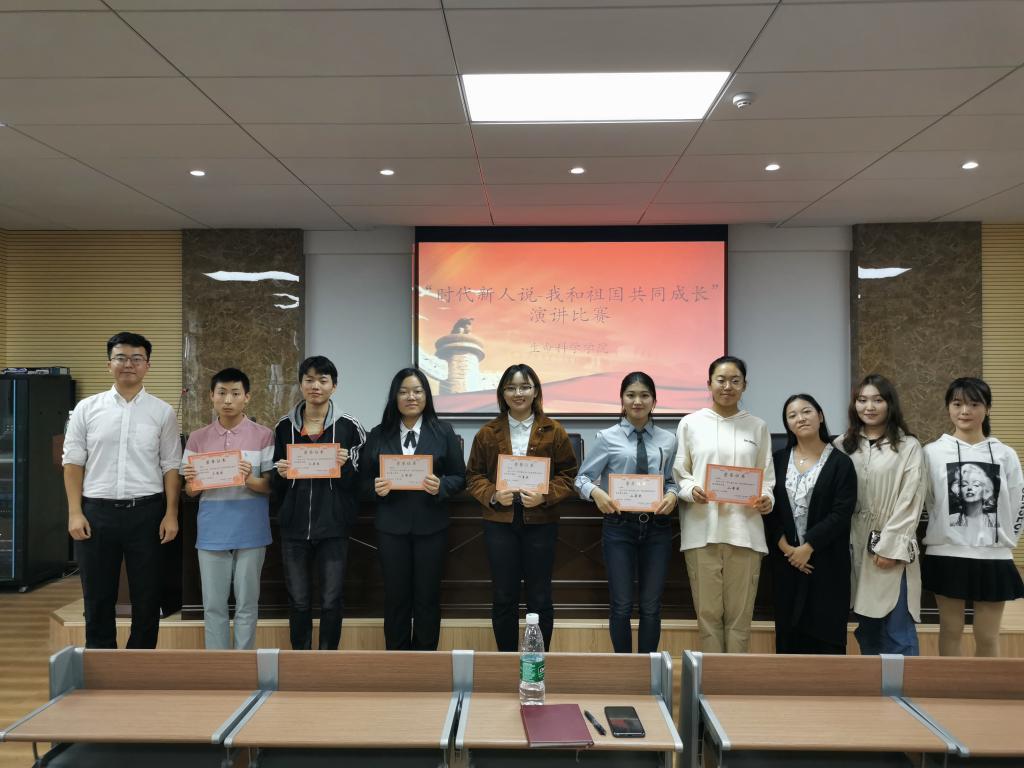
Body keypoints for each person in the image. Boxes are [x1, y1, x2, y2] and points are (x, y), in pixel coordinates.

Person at [62, 331, 182, 649]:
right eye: (121, 358)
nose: (128, 364)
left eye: (136, 358)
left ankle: (139, 663)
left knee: (148, 595)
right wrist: (74, 512)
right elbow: (72, 462)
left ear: (147, 365)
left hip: (147, 513)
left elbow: (171, 465)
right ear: (109, 364)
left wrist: (171, 513)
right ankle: (102, 663)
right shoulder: (87, 408)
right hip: (96, 513)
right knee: (97, 595)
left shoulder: (162, 412)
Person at [466, 363, 578, 651]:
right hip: (499, 522)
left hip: (541, 522)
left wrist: (545, 496)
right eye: (511, 388)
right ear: (502, 393)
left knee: (540, 596)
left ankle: (537, 662)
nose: (518, 393)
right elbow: (473, 476)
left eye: (525, 387)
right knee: (504, 595)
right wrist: (493, 494)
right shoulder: (487, 432)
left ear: (535, 391)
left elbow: (569, 475)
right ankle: (506, 660)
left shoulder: (554, 430)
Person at [673, 355, 775, 654]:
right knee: (707, 616)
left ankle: (735, 677)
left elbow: (766, 476)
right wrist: (691, 490)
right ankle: (711, 677)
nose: (727, 386)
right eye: (721, 380)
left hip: (745, 532)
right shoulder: (690, 423)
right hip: (701, 531)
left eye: (735, 381)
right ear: (709, 384)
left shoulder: (757, 426)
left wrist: (766, 498)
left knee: (740, 618)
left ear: (744, 385)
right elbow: (680, 472)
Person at [362, 367, 466, 650]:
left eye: (418, 391)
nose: (411, 397)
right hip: (391, 528)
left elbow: (460, 477)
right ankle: (397, 663)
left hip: (431, 527)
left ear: (426, 396)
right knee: (395, 597)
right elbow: (361, 482)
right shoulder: (378, 434)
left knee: (427, 597)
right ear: (394, 397)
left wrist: (441, 485)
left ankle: (426, 662)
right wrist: (375, 488)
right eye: (404, 392)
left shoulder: (443, 432)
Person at [575, 372, 679, 653]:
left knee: (651, 606)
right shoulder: (606, 437)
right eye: (631, 395)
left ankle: (648, 670)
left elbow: (672, 481)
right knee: (621, 605)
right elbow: (582, 478)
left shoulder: (668, 439)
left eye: (644, 395)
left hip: (657, 528)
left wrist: (672, 494)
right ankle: (623, 667)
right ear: (621, 399)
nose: (637, 401)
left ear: (654, 401)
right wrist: (596, 493)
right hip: (619, 526)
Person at [922, 377, 1024, 657]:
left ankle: (987, 686)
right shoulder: (931, 452)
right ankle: (950, 685)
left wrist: (1005, 541)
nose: (965, 411)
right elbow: (927, 500)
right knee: (950, 630)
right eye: (957, 404)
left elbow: (1018, 503)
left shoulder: (1005, 454)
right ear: (948, 408)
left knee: (988, 636)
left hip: (993, 556)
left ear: (987, 408)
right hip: (946, 553)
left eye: (974, 404)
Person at [272, 356, 365, 650]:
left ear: (333, 386)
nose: (316, 386)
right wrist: (280, 474)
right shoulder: (283, 427)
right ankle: (300, 661)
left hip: (334, 528)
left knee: (331, 600)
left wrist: (346, 465)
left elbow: (361, 482)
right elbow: (275, 482)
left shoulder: (350, 427)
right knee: (298, 601)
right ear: (300, 384)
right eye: (309, 379)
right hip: (294, 528)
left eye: (323, 380)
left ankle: (327, 662)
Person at [181, 368, 274, 650]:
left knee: (247, 604)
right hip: (212, 530)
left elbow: (270, 486)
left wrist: (248, 479)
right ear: (211, 396)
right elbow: (190, 491)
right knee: (213, 605)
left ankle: (243, 664)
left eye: (235, 393)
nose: (228, 400)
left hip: (251, 529)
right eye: (221, 393)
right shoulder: (197, 438)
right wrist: (194, 481)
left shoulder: (264, 435)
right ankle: (218, 665)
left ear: (247, 397)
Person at [837, 373, 926, 656]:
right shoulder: (842, 445)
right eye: (862, 400)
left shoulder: (908, 446)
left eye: (877, 400)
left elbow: (911, 500)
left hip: (891, 544)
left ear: (890, 404)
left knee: (897, 630)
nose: (869, 407)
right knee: (868, 630)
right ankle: (875, 686)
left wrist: (890, 547)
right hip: (854, 543)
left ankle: (905, 686)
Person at [767, 393, 857, 654]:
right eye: (792, 415)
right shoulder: (777, 461)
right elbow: (769, 510)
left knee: (826, 638)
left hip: (826, 561)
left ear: (820, 416)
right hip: (786, 563)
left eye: (806, 411)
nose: (800, 418)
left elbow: (841, 513)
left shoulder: (841, 463)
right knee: (788, 638)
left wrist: (808, 547)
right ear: (787, 424)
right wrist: (787, 548)